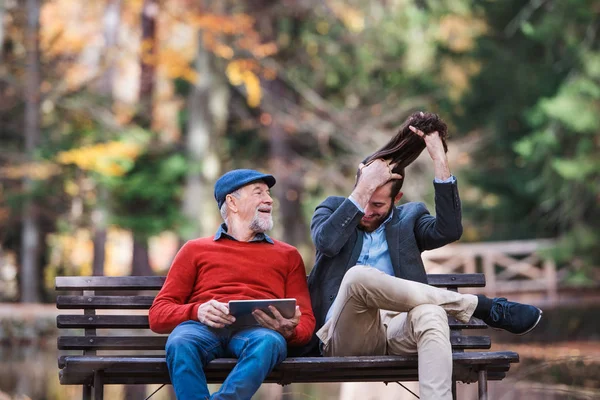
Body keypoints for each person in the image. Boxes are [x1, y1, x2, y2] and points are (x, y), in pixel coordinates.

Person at [305, 112, 542, 400]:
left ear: (397, 198)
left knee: (431, 313)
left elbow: (449, 230)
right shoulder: (332, 210)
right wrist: (364, 188)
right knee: (358, 277)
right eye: (364, 199)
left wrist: (439, 160)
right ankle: (477, 306)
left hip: (399, 330)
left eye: (378, 204)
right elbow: (327, 243)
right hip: (347, 336)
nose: (367, 211)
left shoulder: (409, 219)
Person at [149, 169, 316, 400]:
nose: (269, 199)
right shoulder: (194, 250)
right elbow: (158, 315)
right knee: (180, 341)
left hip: (259, 333)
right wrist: (198, 311)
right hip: (202, 330)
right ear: (232, 202)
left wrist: (290, 330)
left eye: (268, 193)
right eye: (258, 193)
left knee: (269, 342)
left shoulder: (288, 255)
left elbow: (306, 320)